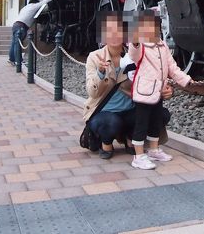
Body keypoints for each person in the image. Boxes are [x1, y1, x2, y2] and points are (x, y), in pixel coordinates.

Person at [83, 11, 173, 159]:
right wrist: (100, 73)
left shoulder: (136, 54)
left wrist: (165, 90)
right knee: (112, 122)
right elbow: (92, 93)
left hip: (130, 110)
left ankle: (130, 136)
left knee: (161, 114)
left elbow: (153, 78)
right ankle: (106, 142)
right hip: (104, 112)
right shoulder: (95, 57)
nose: (114, 34)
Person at [128, 10, 194, 170]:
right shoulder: (141, 45)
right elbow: (133, 55)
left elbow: (172, 67)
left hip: (158, 92)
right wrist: (135, 41)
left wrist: (185, 80)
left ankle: (153, 149)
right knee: (141, 123)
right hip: (144, 92)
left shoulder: (162, 45)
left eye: (155, 25)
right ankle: (138, 156)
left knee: (155, 121)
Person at [8, 0, 53, 65]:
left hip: (15, 25)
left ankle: (11, 59)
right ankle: (18, 61)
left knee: (14, 43)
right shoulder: (33, 6)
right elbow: (43, 2)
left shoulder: (25, 8)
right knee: (18, 44)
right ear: (34, 3)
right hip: (21, 26)